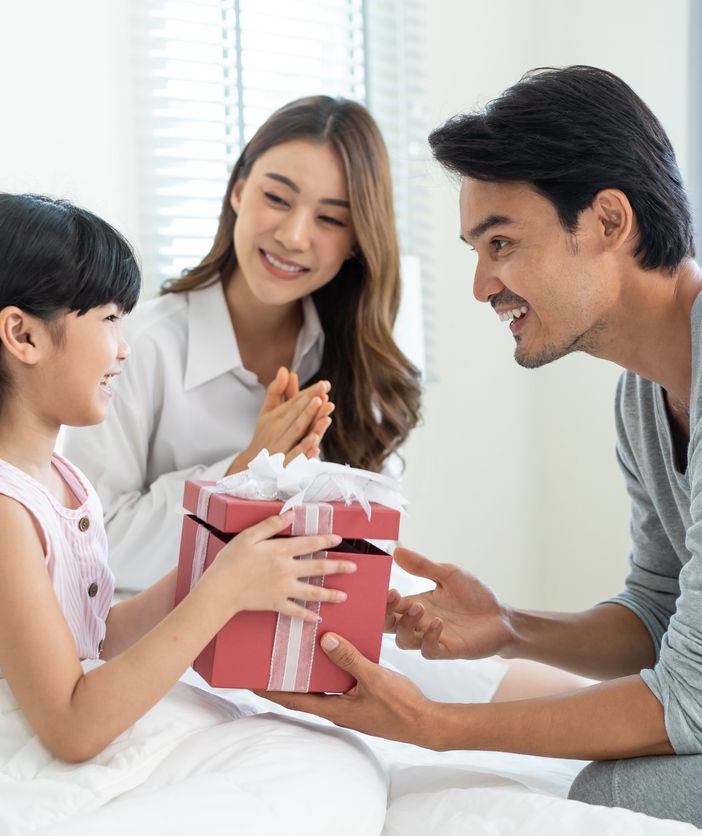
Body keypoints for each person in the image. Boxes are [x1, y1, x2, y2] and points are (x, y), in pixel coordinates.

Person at [263, 66, 702, 836]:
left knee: (616, 799)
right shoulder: (648, 392)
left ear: (609, 221)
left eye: (502, 243)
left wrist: (435, 724)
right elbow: (660, 613)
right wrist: (510, 626)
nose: (482, 284)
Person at [64, 96, 583, 704]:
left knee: (510, 688)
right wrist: (245, 472)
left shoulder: (361, 361)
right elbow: (99, 549)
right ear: (238, 192)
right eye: (277, 198)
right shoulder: (139, 346)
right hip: (169, 636)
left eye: (331, 219)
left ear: (357, 241)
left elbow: (364, 542)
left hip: (317, 621)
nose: (293, 236)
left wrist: (384, 595)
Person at [0, 193, 354, 766]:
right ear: (23, 336)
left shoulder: (63, 482)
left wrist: (218, 565)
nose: (124, 349)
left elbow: (94, 642)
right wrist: (222, 591)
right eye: (110, 319)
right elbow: (71, 726)